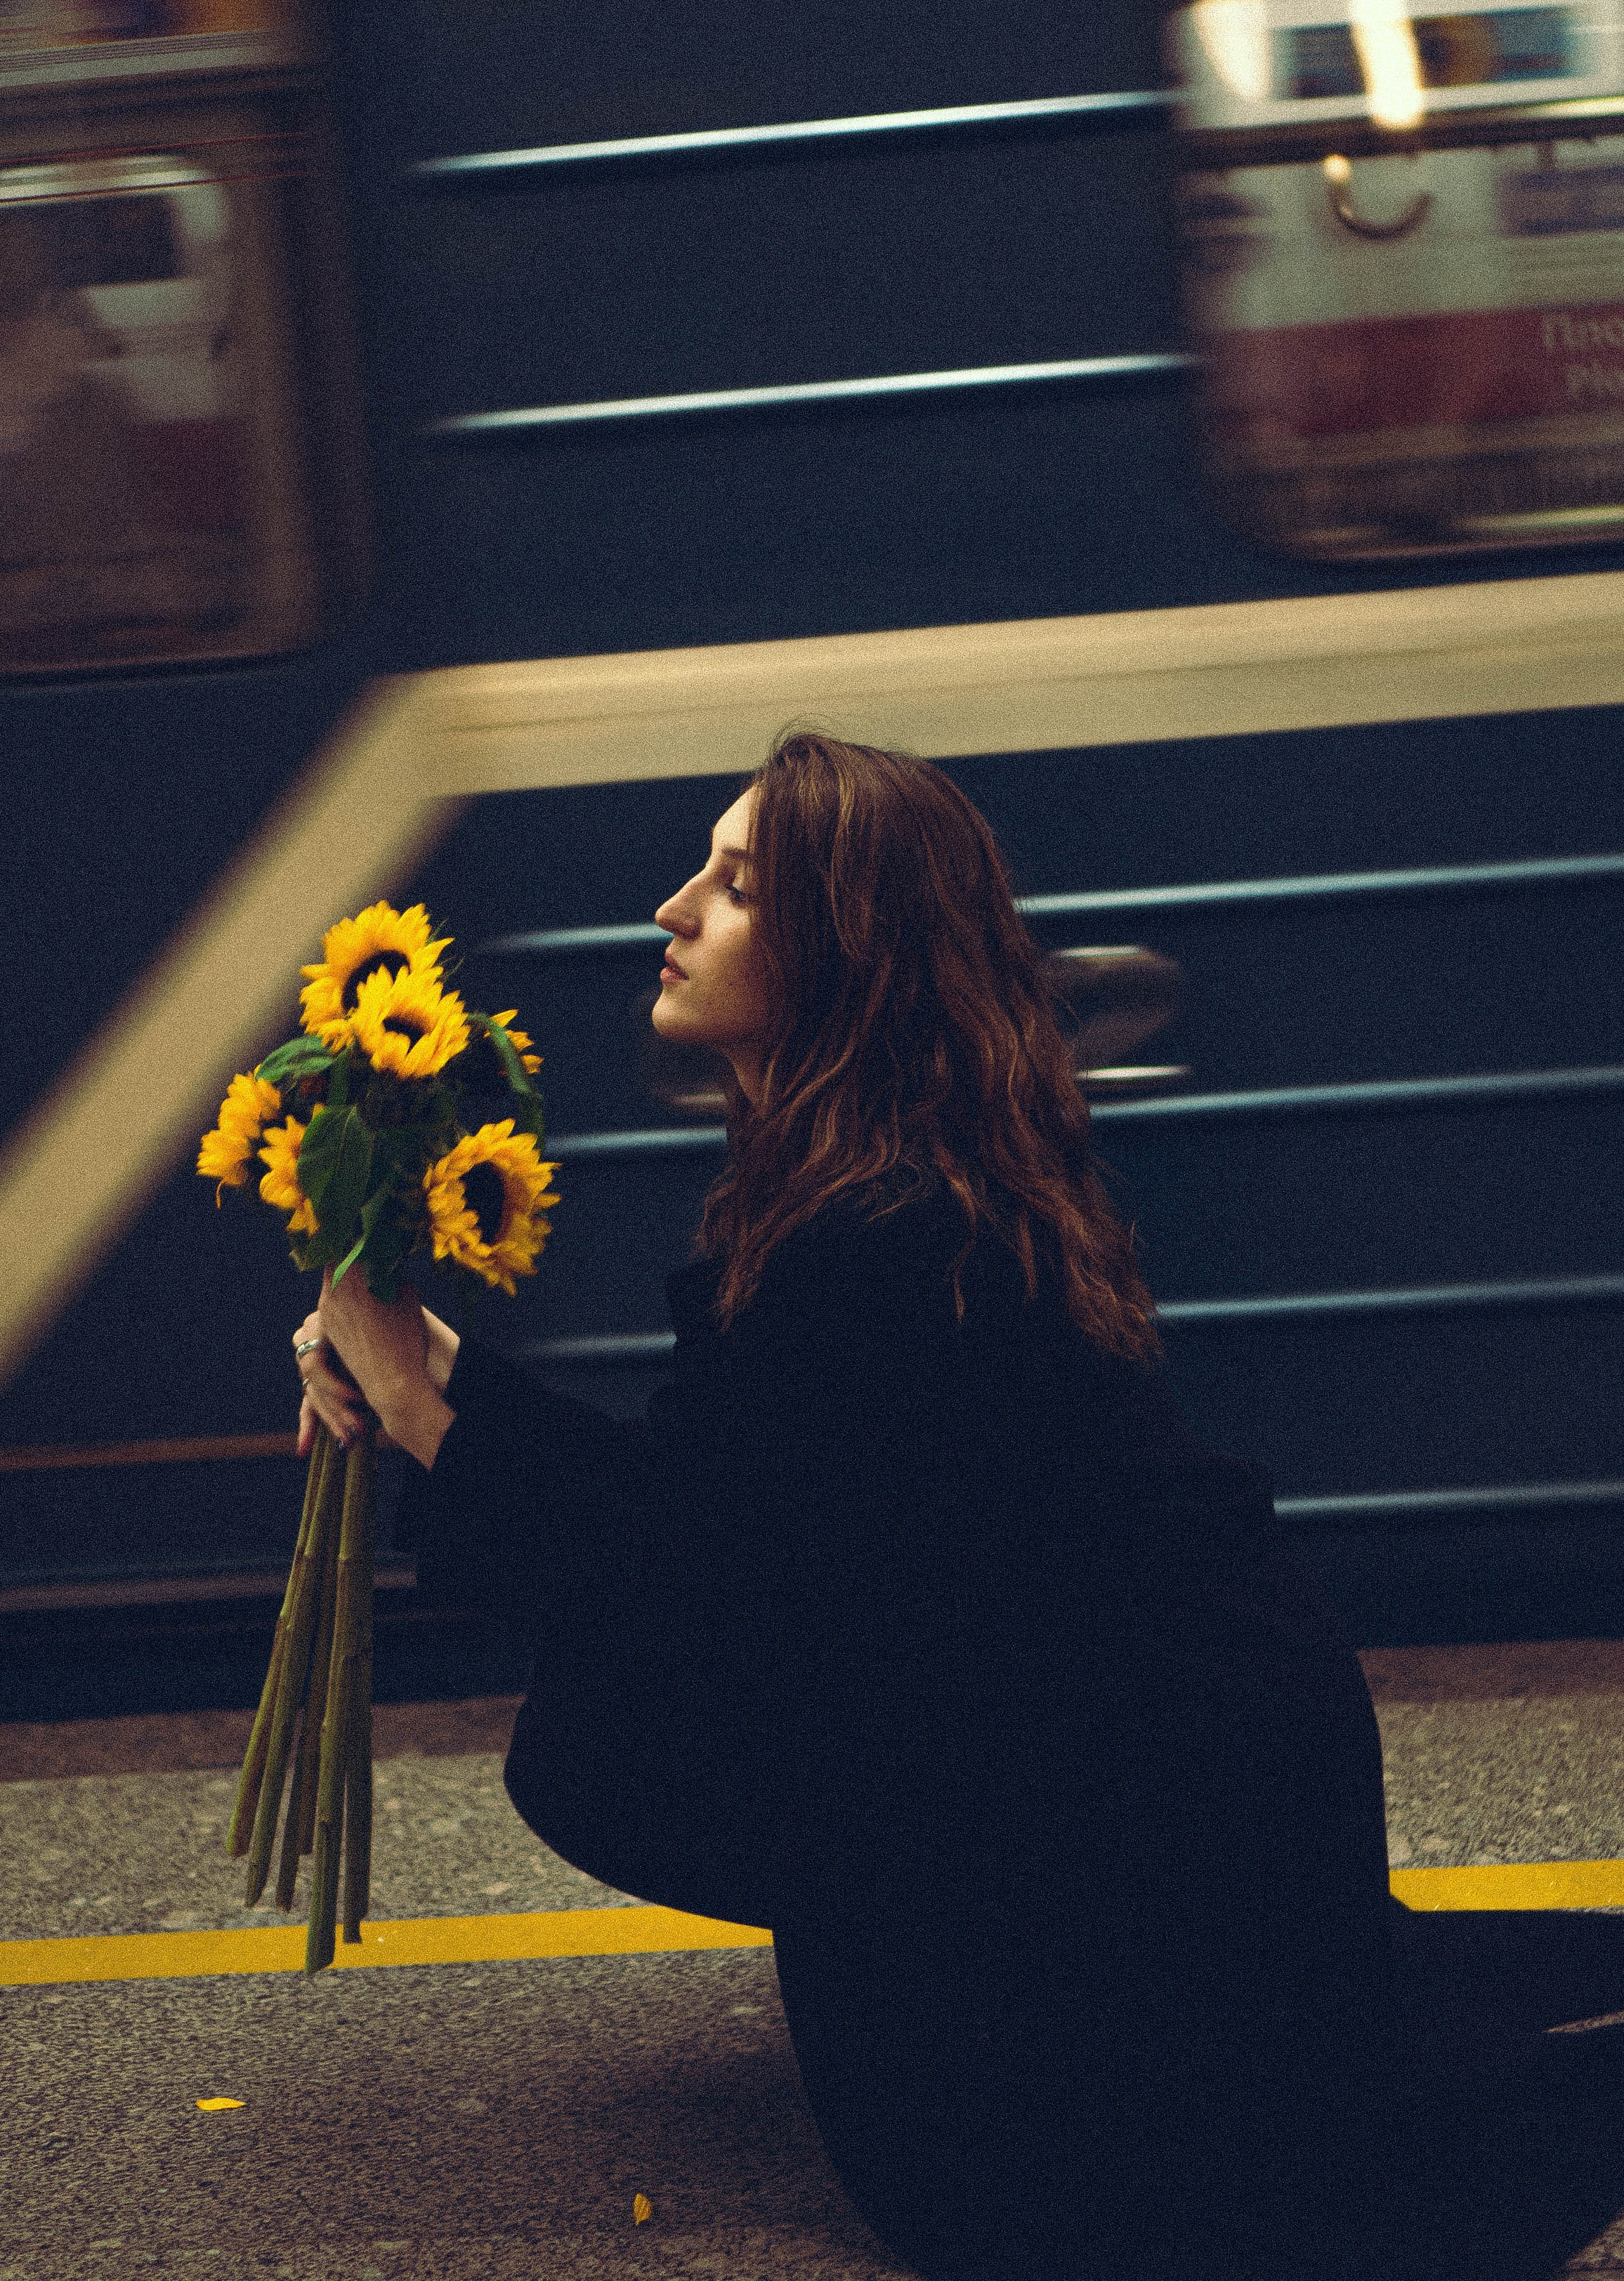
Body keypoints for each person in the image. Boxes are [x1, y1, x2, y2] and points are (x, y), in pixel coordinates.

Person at [294, 731, 1624, 2280]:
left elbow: (687, 1578)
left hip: (1156, 1797)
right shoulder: (872, 1181)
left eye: (734, 886)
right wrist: (432, 1366)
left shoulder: (884, 1233)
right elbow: (730, 1510)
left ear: (843, 953)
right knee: (604, 1718)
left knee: (1015, 2201)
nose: (671, 909)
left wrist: (416, 1399)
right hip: (1148, 1750)